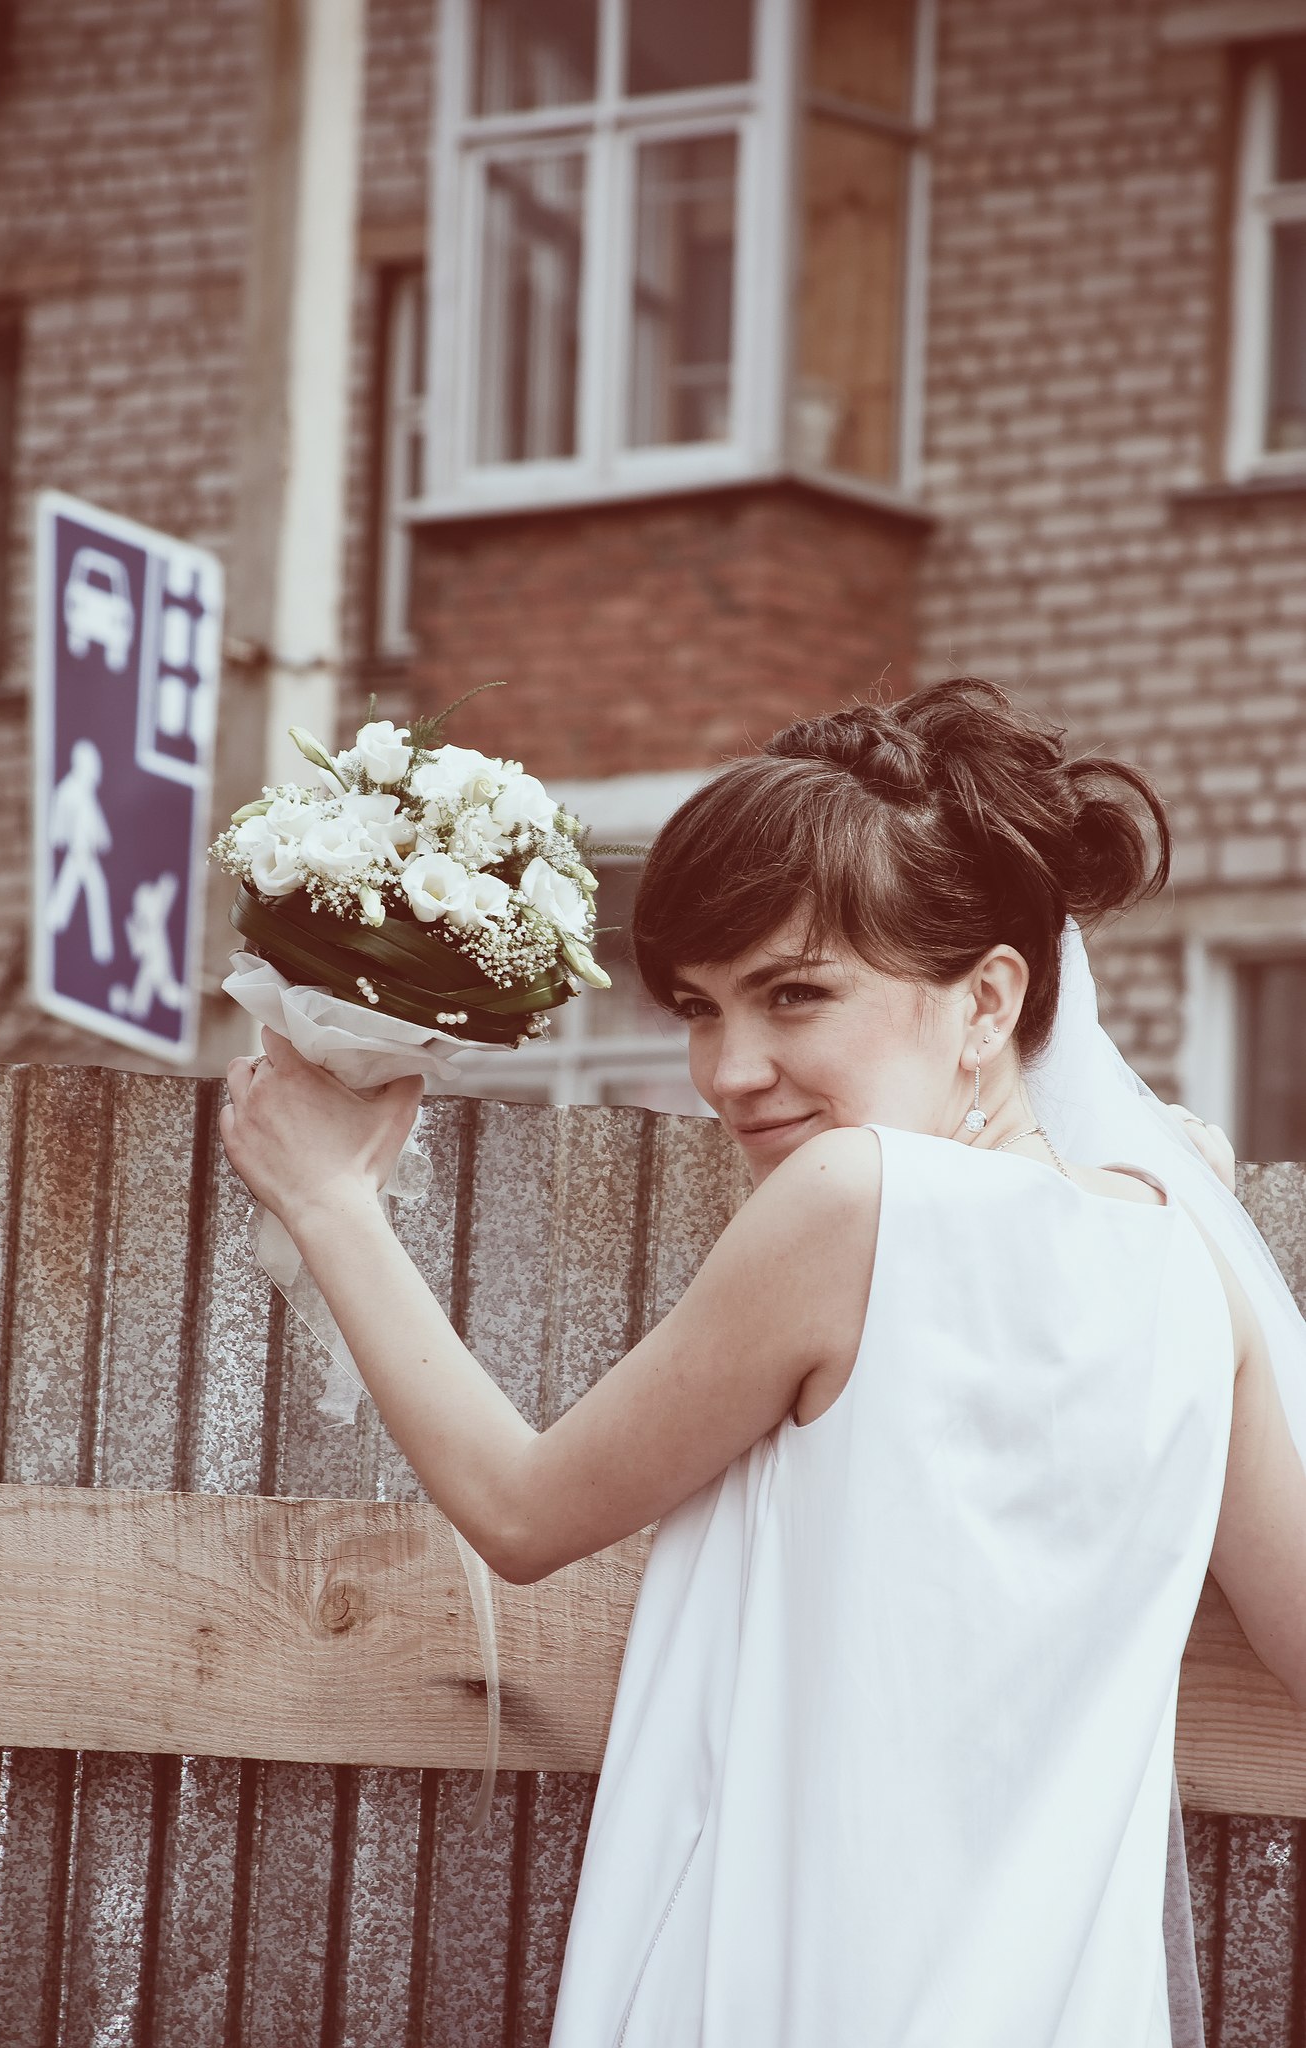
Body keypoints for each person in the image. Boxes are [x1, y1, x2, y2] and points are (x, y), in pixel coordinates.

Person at [220, 678, 1306, 2048]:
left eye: (795, 996)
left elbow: (521, 1509)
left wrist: (330, 1202)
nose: (730, 1070)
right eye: (700, 1006)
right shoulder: (1184, 1271)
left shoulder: (854, 1202)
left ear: (986, 1000)